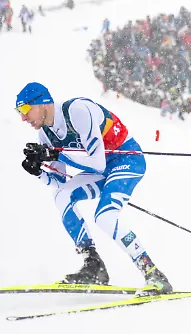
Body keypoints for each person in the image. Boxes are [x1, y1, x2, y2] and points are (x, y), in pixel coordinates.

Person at [16, 82, 172, 294]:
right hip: (101, 168)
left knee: (105, 216)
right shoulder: (45, 134)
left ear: (43, 102)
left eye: (25, 109)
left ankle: (153, 274)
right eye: (19, 112)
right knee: (62, 196)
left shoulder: (77, 111)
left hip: (126, 159)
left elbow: (97, 163)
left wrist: (56, 155)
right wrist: (39, 172)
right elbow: (59, 182)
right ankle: (94, 266)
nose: (23, 118)